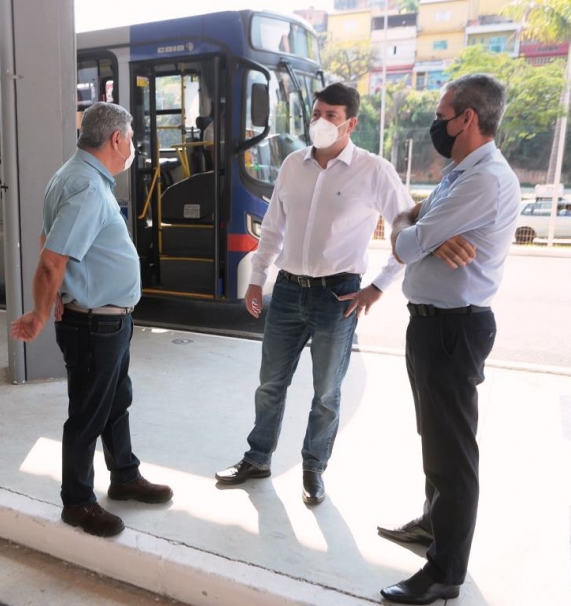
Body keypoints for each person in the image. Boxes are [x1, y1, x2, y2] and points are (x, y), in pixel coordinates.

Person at [214, 83, 413, 505]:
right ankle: (258, 457)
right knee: (270, 383)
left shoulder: (373, 170)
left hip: (338, 297)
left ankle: (313, 468)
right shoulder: (292, 165)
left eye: (332, 116)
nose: (320, 122)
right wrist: (256, 278)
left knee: (326, 392)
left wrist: (378, 286)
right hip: (287, 290)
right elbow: (273, 227)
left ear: (351, 123)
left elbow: (408, 231)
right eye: (317, 113)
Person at [378, 73, 521, 604]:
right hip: (433, 323)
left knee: (452, 451)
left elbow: (404, 242)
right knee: (434, 437)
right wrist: (418, 231)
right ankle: (432, 525)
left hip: (454, 327)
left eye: (442, 115)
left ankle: (445, 573)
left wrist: (416, 235)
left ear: (468, 118)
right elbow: (412, 224)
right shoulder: (460, 172)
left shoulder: (484, 180)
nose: (437, 124)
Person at [10, 102, 172, 538]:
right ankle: (78, 502)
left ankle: (124, 476)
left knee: (115, 404)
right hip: (94, 325)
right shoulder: (85, 186)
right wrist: (42, 310)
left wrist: (60, 293)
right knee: (88, 413)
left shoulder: (73, 175)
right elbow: (51, 258)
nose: (133, 146)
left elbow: (50, 236)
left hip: (108, 321)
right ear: (117, 139)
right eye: (132, 138)